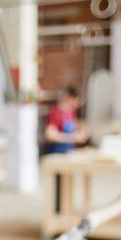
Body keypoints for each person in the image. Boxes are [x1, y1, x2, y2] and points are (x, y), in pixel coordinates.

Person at [43, 85, 90, 213]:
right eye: (76, 101)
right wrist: (72, 137)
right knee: (57, 191)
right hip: (56, 154)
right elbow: (50, 135)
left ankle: (64, 214)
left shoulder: (70, 112)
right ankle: (55, 217)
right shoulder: (56, 113)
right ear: (70, 98)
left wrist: (81, 131)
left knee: (66, 189)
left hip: (67, 154)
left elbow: (73, 127)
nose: (77, 105)